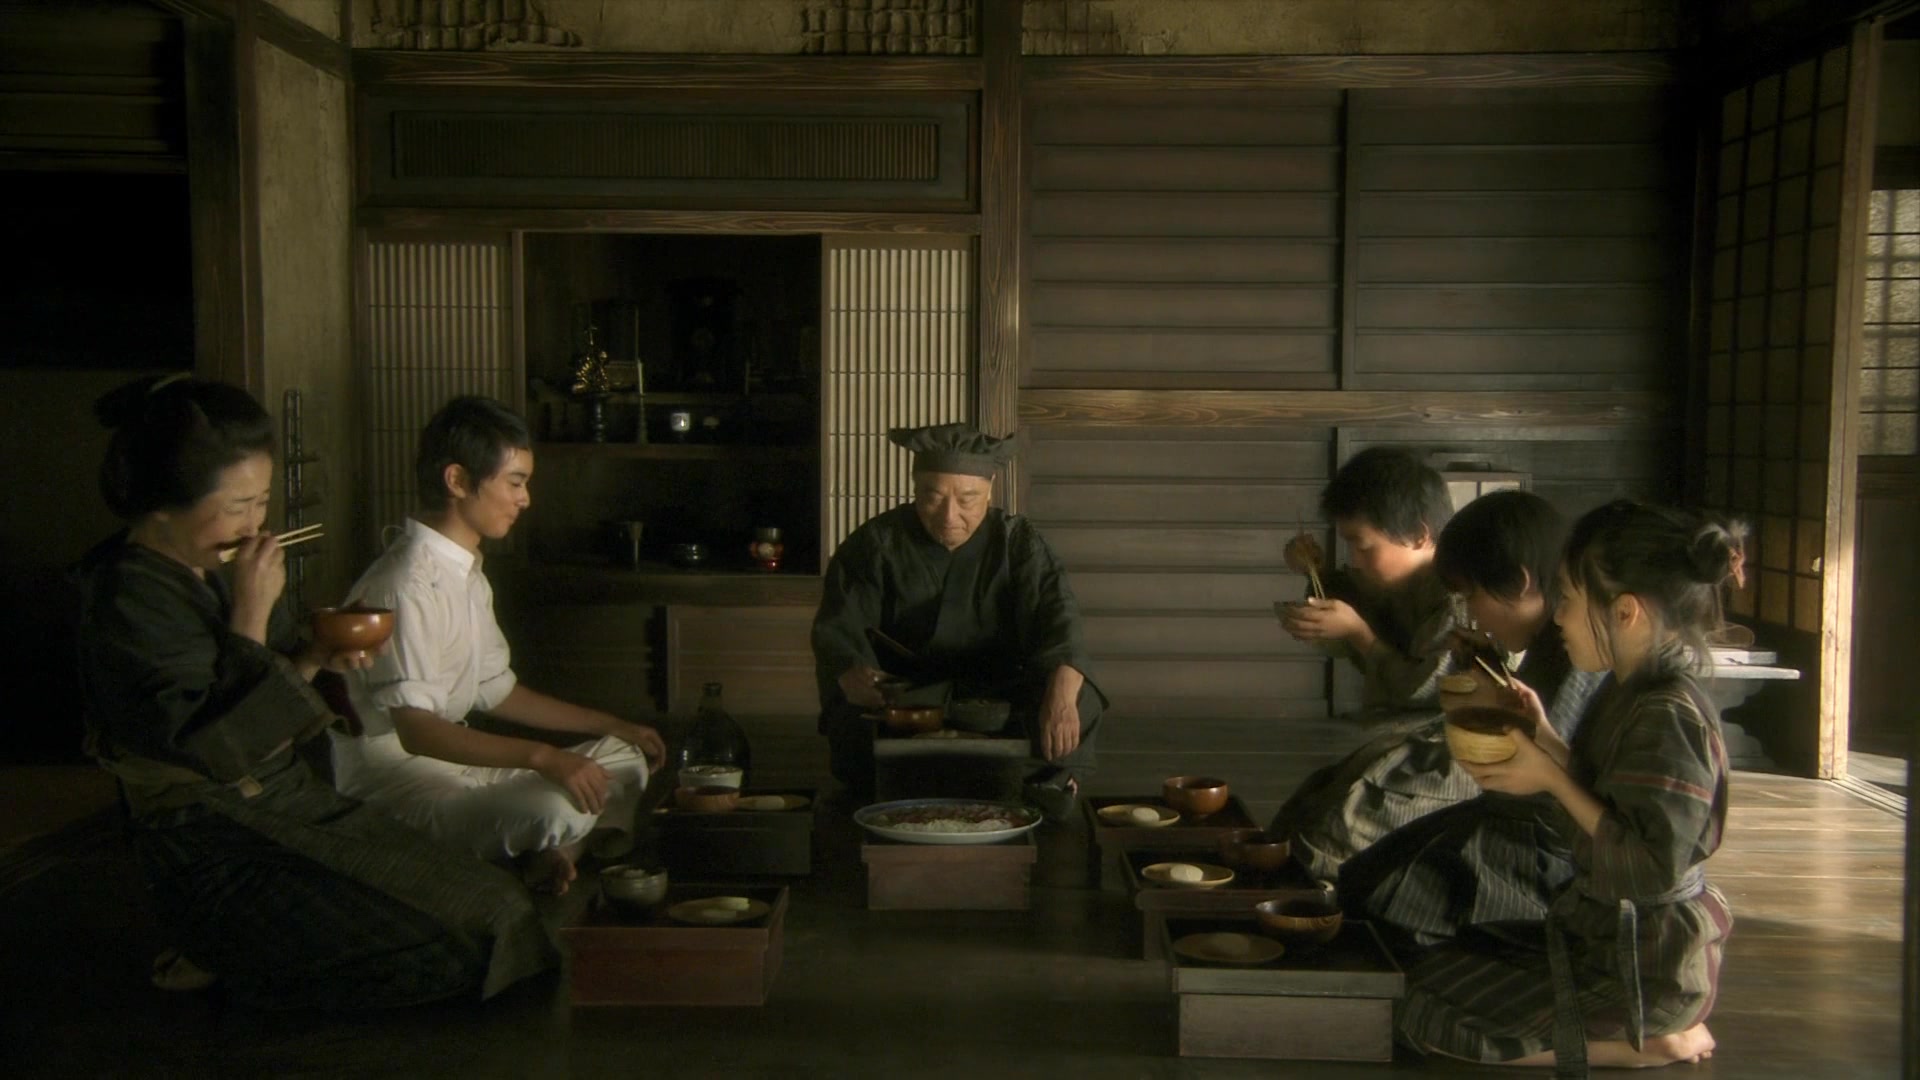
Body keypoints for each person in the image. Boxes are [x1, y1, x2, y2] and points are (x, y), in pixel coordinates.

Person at [75, 374, 556, 1009]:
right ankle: (224, 950)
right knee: (462, 945)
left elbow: (277, 679)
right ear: (163, 504)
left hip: (287, 799)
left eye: (262, 502)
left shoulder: (213, 563)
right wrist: (250, 616)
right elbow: (220, 750)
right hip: (209, 838)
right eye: (238, 507)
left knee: (500, 904)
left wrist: (318, 653)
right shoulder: (126, 597)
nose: (256, 524)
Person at [1396, 500, 1734, 1070]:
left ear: (1625, 612)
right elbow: (1612, 798)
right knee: (1421, 970)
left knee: (1425, 1020)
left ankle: (1653, 1042)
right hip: (1598, 934)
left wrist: (1551, 777)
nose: (1559, 619)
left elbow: (1652, 865)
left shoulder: (1669, 714)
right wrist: (1545, 735)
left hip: (1645, 966)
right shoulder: (1633, 688)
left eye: (1570, 601)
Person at [332, 397, 664, 896]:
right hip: (399, 781)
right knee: (557, 807)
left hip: (458, 769)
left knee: (625, 757)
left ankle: (551, 852)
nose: (525, 499)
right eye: (515, 482)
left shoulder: (465, 572)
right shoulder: (405, 583)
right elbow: (417, 733)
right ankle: (549, 847)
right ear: (458, 480)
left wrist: (613, 725)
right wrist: (544, 758)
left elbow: (498, 691)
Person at [1335, 491, 1605, 944]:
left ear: (1519, 583)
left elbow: (1546, 759)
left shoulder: (1580, 651)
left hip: (1549, 850)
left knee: (1387, 895)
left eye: (1472, 595)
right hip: (1515, 819)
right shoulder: (1551, 639)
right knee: (1365, 872)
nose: (1471, 611)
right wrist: (1483, 665)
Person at [810, 423, 1105, 814]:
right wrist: (852, 671)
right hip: (907, 695)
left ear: (990, 489)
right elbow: (840, 625)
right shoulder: (876, 543)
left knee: (1077, 695)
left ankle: (1044, 784)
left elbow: (1058, 619)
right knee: (851, 717)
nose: (949, 516)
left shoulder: (1018, 542)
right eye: (932, 497)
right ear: (915, 488)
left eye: (968, 499)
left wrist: (1062, 694)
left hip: (999, 693)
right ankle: (982, 778)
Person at [1271, 447, 1463, 878]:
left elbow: (1424, 689)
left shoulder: (1458, 597)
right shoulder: (1400, 580)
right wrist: (1314, 572)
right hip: (1399, 739)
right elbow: (1354, 604)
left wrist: (1360, 635)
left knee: (1329, 837)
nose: (1354, 560)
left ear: (1419, 535)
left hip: (1451, 753)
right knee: (1299, 816)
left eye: (1362, 545)